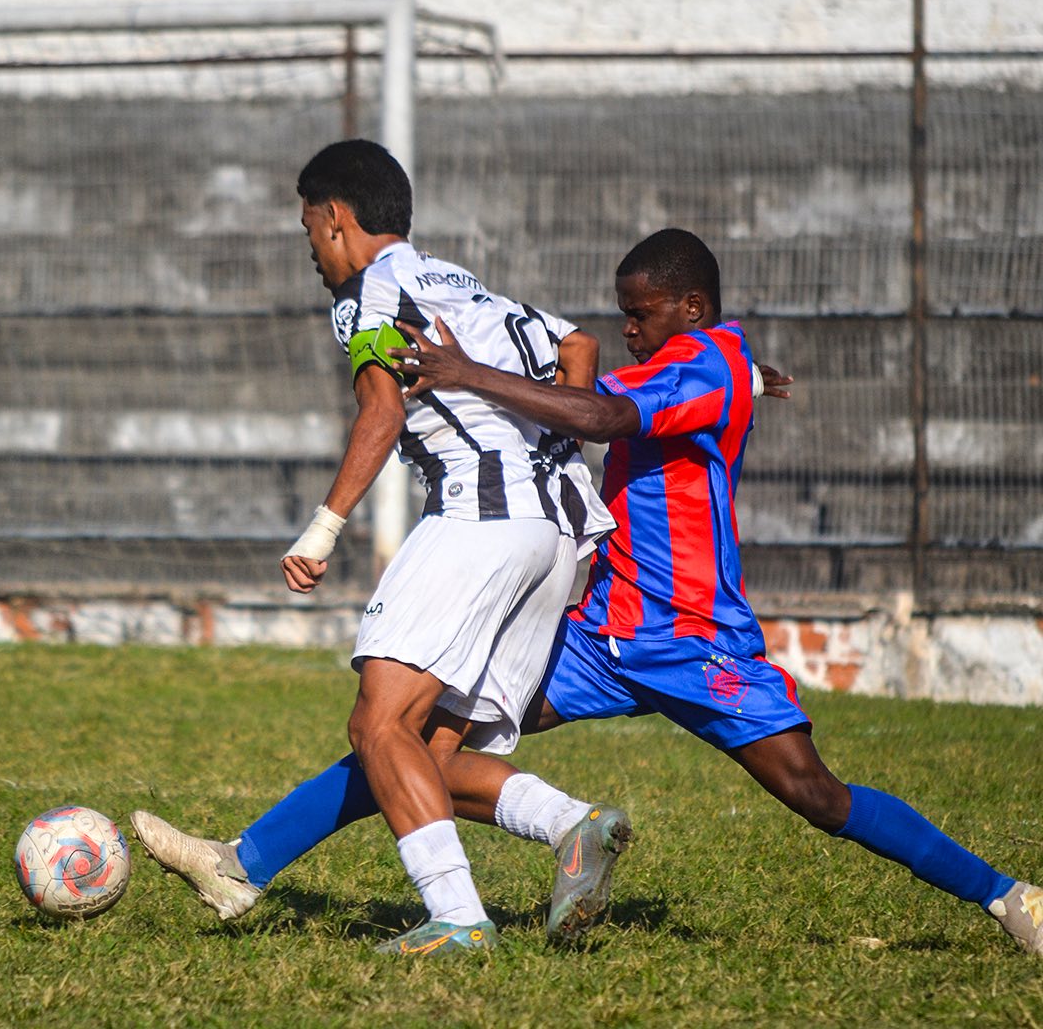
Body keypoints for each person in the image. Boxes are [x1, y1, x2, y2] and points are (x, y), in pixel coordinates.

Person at [388, 226, 1043, 959]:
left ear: (692, 306)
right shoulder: (704, 363)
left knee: (817, 796)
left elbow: (601, 416)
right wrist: (748, 378)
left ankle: (1011, 897)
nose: (629, 331)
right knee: (418, 740)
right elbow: (592, 398)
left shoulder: (704, 364)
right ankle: (254, 860)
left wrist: (468, 372)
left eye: (642, 315)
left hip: (695, 641)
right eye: (624, 315)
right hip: (603, 635)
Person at [131, 138, 633, 957]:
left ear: (336, 219)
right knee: (423, 749)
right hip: (555, 535)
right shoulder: (464, 285)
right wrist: (559, 426)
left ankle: (459, 920)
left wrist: (323, 528)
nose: (312, 252)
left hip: (482, 513)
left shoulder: (368, 293)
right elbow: (577, 342)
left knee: (378, 723)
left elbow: (381, 415)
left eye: (307, 232)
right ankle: (571, 826)